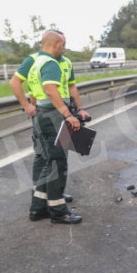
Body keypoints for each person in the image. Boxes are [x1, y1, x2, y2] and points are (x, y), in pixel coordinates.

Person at [25, 30, 89, 224]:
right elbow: (51, 91)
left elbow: (35, 92)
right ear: (54, 44)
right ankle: (58, 211)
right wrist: (68, 115)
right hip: (52, 115)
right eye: (62, 44)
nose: (65, 48)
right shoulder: (51, 63)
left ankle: (38, 209)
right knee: (57, 163)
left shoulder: (36, 62)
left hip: (42, 114)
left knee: (48, 162)